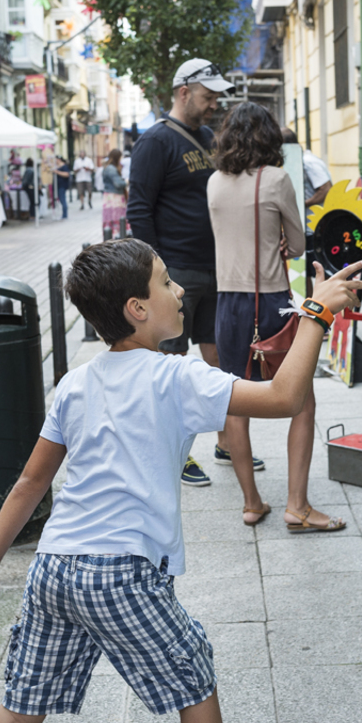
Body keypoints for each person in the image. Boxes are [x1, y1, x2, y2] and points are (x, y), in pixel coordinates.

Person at [0, 238, 362, 723]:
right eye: (165, 281)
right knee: (195, 685)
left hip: (54, 568)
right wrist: (315, 312)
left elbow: (29, 484)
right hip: (120, 572)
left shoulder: (75, 383)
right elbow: (284, 398)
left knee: (22, 707)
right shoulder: (177, 376)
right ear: (137, 309)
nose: (179, 290)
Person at [209, 103, 343, 532]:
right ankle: (297, 506)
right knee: (301, 400)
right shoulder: (278, 179)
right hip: (270, 304)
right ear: (269, 138)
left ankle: (251, 502)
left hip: (227, 306)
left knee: (234, 403)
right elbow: (300, 244)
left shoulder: (213, 183)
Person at [128, 58, 239, 487]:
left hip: (216, 269)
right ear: (183, 92)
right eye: (207, 96)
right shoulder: (155, 142)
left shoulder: (209, 138)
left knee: (217, 360)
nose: (213, 104)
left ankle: (227, 442)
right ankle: (174, 454)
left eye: (215, 97)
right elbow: (140, 208)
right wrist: (157, 275)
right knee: (171, 364)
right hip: (176, 273)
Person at [280, 127, 332, 206]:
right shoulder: (299, 160)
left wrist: (303, 204)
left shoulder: (307, 161)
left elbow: (326, 189)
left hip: (314, 215)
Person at [101, 148, 127, 235]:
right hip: (114, 198)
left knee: (113, 220)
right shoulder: (111, 168)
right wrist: (126, 181)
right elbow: (118, 184)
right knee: (115, 220)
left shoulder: (109, 167)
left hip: (111, 197)